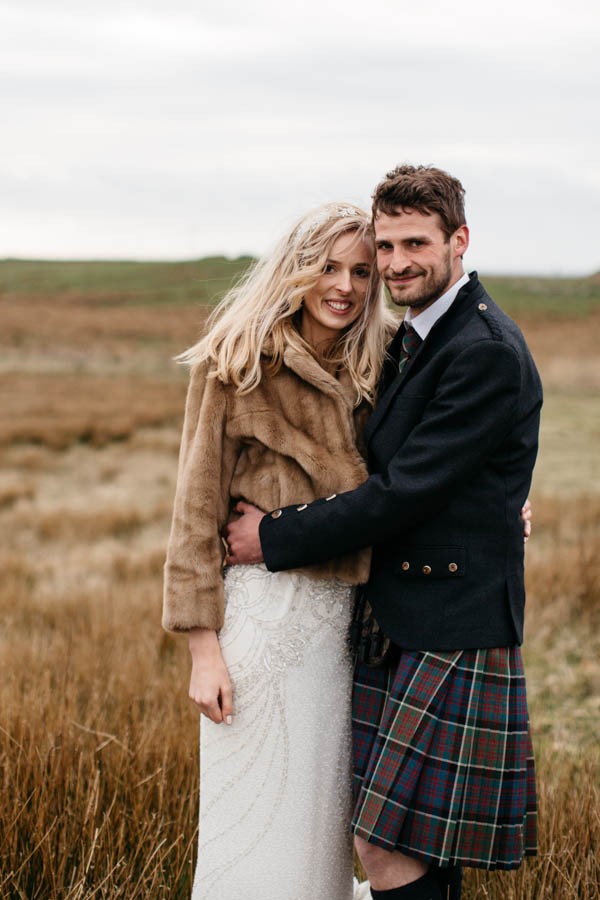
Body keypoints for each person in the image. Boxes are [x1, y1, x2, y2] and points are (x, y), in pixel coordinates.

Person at [225, 165, 542, 900]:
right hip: (407, 612)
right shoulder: (417, 337)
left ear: (459, 240)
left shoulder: (482, 349)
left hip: (452, 621)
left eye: (416, 244)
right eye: (388, 245)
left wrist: (275, 536)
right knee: (417, 844)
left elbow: (401, 494)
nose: (397, 263)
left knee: (386, 840)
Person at [162, 202, 398, 900]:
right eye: (327, 266)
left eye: (361, 271)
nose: (345, 286)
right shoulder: (235, 360)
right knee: (250, 820)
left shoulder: (378, 368)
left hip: (340, 637)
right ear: (296, 267)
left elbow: (410, 486)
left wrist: (501, 509)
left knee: (318, 833)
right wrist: (204, 650)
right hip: (258, 631)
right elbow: (195, 512)